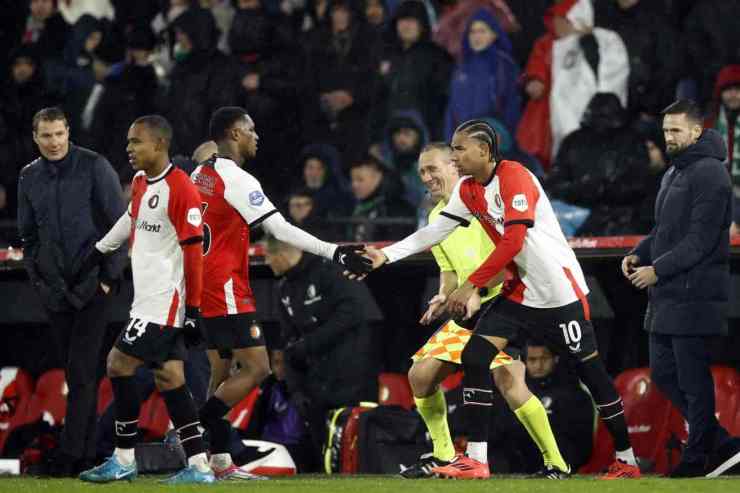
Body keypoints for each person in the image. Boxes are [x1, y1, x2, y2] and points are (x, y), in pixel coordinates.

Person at [362, 119, 640, 479]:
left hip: (558, 292)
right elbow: (435, 231)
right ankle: (475, 460)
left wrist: (472, 285)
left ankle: (626, 460)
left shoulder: (515, 177)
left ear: (484, 150)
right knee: (475, 356)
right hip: (519, 292)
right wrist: (387, 255)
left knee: (592, 373)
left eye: (460, 148)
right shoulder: (468, 191)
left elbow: (514, 241)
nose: (456, 155)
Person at [190, 106, 372, 479]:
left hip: (201, 282)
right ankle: (191, 430)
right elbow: (283, 231)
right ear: (236, 135)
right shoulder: (238, 180)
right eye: (251, 129)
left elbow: (201, 153)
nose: (257, 136)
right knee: (256, 368)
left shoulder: (201, 172)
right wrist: (334, 250)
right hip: (225, 286)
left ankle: (218, 460)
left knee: (221, 371)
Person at [401, 142, 570, 479]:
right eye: (422, 171)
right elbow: (448, 270)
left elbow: (509, 254)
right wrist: (442, 295)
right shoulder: (437, 216)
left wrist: (475, 288)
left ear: (453, 166)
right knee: (420, 375)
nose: (427, 177)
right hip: (469, 306)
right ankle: (444, 456)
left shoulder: (480, 203)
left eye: (433, 168)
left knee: (508, 381)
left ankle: (557, 463)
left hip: (505, 301)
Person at [77, 115, 214, 484]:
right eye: (128, 142)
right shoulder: (140, 182)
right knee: (170, 378)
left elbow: (193, 252)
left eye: (136, 142)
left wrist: (194, 310)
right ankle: (200, 466)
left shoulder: (181, 188)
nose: (129, 149)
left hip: (165, 302)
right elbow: (130, 218)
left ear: (159, 145)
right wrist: (98, 252)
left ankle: (123, 458)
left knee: (118, 365)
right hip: (147, 300)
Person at [623, 99, 740, 478]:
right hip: (669, 292)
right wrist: (639, 253)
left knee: (692, 379)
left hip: (693, 291)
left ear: (696, 131)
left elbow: (701, 240)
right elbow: (663, 232)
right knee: (664, 374)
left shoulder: (710, 174)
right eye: (666, 131)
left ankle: (697, 458)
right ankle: (722, 446)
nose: (669, 137)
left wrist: (658, 270)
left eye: (676, 130)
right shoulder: (675, 173)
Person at [17, 107, 126, 476]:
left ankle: (70, 455)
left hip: (93, 286)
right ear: (36, 138)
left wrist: (108, 279)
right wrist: (40, 281)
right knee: (76, 373)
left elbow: (120, 224)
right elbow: (28, 236)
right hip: (54, 291)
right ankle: (84, 452)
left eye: (59, 134)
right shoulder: (28, 177)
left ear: (68, 132)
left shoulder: (95, 166)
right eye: (46, 136)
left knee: (80, 372)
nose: (53, 142)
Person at [264, 235, 378, 471]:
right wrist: (295, 386)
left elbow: (354, 312)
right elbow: (289, 339)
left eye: (267, 256)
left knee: (350, 444)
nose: (266, 262)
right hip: (313, 380)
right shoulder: (283, 288)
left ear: (281, 254)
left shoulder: (330, 271)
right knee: (318, 446)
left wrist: (309, 344)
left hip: (350, 372)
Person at [489, 340, 594, 473]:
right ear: (524, 362)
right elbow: (499, 430)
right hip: (518, 458)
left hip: (563, 455)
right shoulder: (513, 390)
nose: (538, 365)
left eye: (544, 359)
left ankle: (557, 469)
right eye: (532, 360)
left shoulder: (574, 394)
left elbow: (582, 441)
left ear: (555, 359)